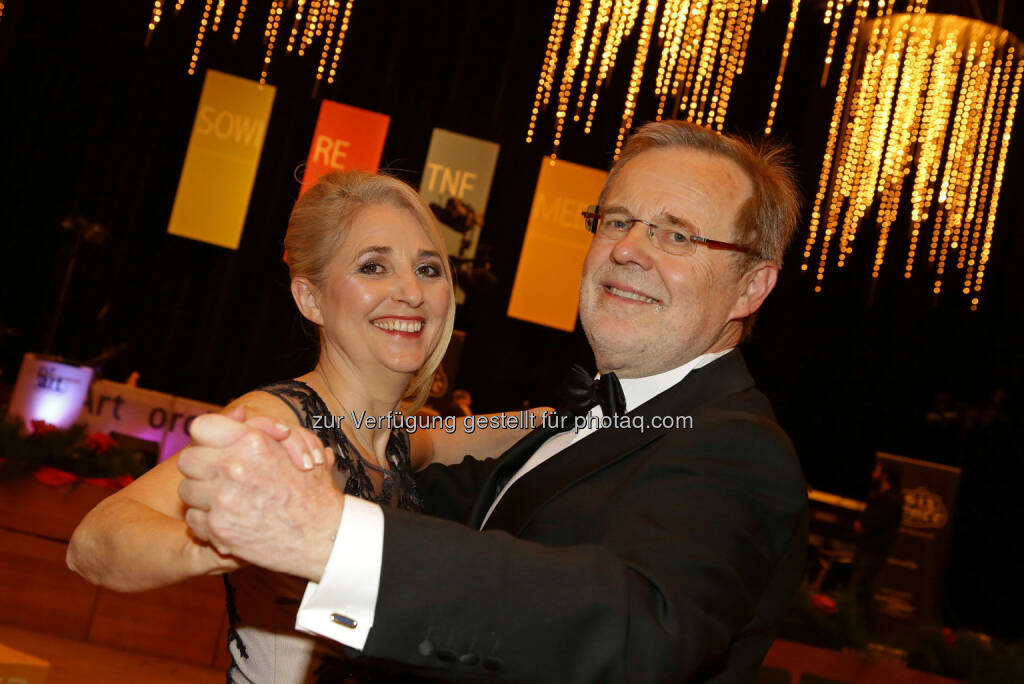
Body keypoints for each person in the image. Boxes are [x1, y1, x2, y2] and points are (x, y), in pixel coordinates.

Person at [176, 120, 810, 682]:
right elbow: (415, 500)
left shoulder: (737, 445)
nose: (627, 249)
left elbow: (635, 630)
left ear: (751, 287)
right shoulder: (577, 424)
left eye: (677, 236)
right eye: (617, 221)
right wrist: (294, 446)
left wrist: (332, 538)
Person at [66, 170, 540, 683]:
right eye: (374, 266)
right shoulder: (283, 421)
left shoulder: (388, 434)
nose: (411, 291)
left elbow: (474, 434)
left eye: (428, 268)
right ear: (310, 299)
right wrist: (218, 540)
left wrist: (590, 420)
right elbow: (92, 541)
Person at [850, 461, 904, 633]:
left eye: (877, 471)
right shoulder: (879, 496)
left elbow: (872, 523)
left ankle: (855, 629)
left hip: (874, 552)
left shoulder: (892, 499)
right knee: (864, 591)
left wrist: (862, 525)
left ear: (885, 475)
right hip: (866, 548)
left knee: (858, 588)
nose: (873, 474)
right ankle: (865, 631)